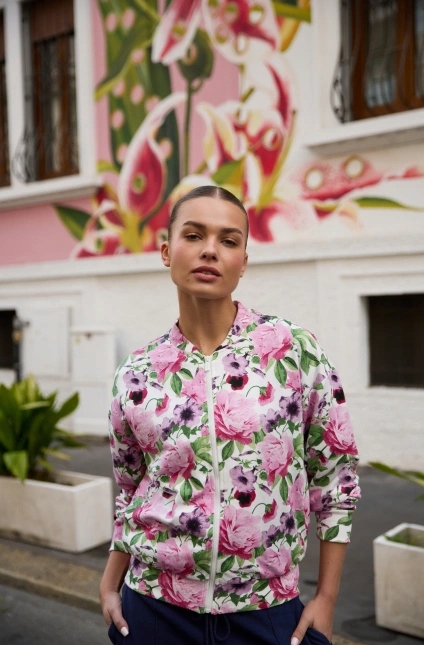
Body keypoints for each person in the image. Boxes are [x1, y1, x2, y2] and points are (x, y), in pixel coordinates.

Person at [100, 185, 360, 645]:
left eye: (228, 240)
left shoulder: (293, 350)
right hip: (154, 609)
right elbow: (131, 489)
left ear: (243, 261)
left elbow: (336, 477)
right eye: (193, 235)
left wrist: (327, 597)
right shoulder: (136, 373)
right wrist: (108, 582)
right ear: (166, 250)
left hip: (267, 612)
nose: (209, 251)